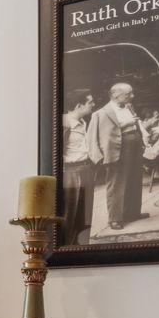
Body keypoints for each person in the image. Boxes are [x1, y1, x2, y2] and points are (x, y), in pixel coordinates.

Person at [86, 83, 153, 230]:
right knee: (116, 185)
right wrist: (98, 158)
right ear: (115, 95)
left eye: (131, 93)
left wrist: (142, 140)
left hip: (134, 147)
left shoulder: (129, 107)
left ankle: (133, 213)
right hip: (117, 151)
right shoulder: (100, 114)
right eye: (128, 94)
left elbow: (136, 125)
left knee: (135, 179)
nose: (132, 97)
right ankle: (114, 219)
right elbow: (91, 138)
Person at [60, 88, 95, 243]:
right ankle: (67, 247)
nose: (93, 104)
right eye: (90, 102)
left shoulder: (83, 122)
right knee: (70, 214)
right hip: (71, 173)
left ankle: (83, 247)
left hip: (86, 169)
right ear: (78, 106)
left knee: (86, 214)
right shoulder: (63, 123)